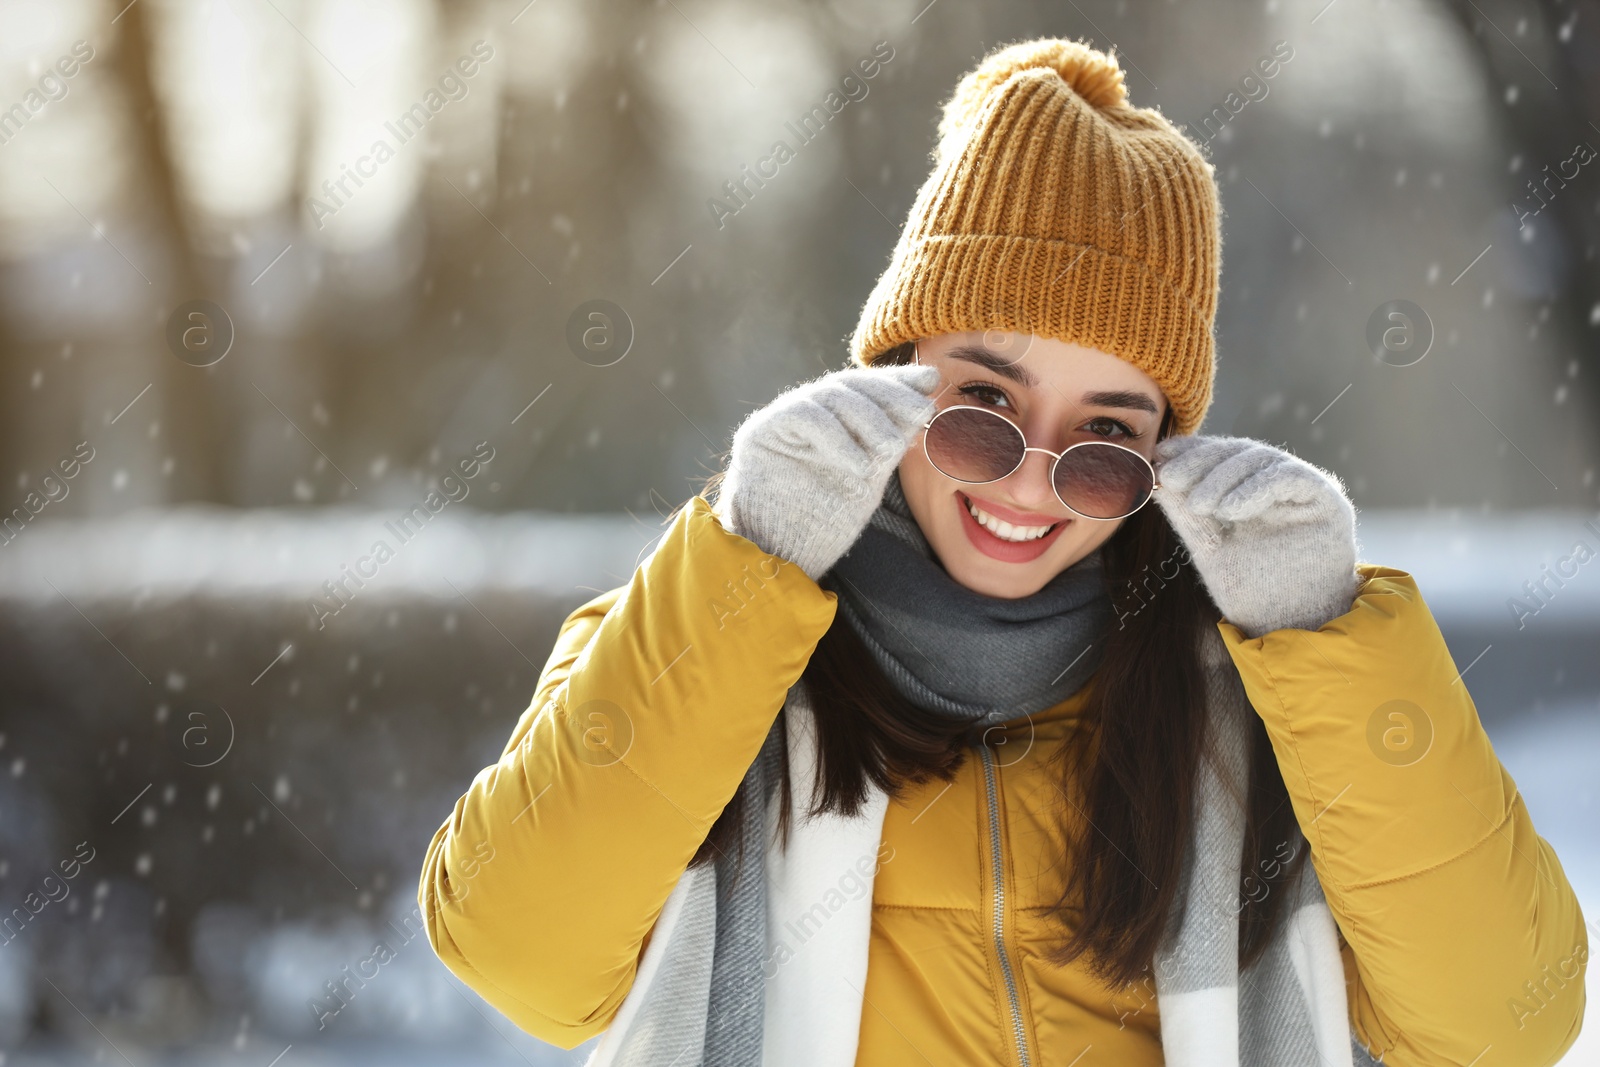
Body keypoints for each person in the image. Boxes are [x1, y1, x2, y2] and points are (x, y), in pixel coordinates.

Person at [418, 38, 1587, 1067]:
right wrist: (745, 562)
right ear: (893, 373)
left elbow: (1501, 1025)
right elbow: (521, 956)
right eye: (983, 401)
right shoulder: (705, 634)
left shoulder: (1256, 695)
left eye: (1106, 442)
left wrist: (1325, 637)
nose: (1032, 478)